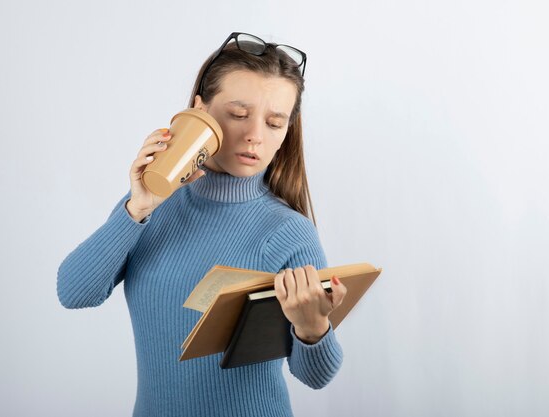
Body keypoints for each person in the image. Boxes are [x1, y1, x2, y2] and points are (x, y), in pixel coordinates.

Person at [57, 32, 347, 417]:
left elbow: (316, 377)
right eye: (238, 115)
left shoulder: (288, 231)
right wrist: (137, 207)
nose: (255, 136)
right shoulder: (149, 207)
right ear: (200, 109)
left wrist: (313, 329)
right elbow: (74, 293)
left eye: (275, 123)